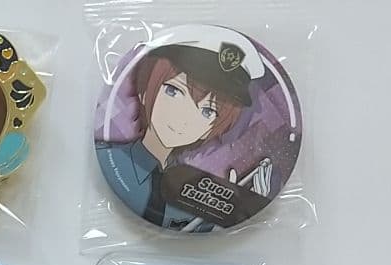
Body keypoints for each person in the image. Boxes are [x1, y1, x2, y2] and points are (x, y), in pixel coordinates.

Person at [96, 28, 272, 230]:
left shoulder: (191, 194)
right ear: (145, 92)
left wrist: (235, 209)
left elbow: (197, 230)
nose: (184, 118)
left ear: (210, 129)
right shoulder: (111, 158)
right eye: (174, 91)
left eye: (207, 111)